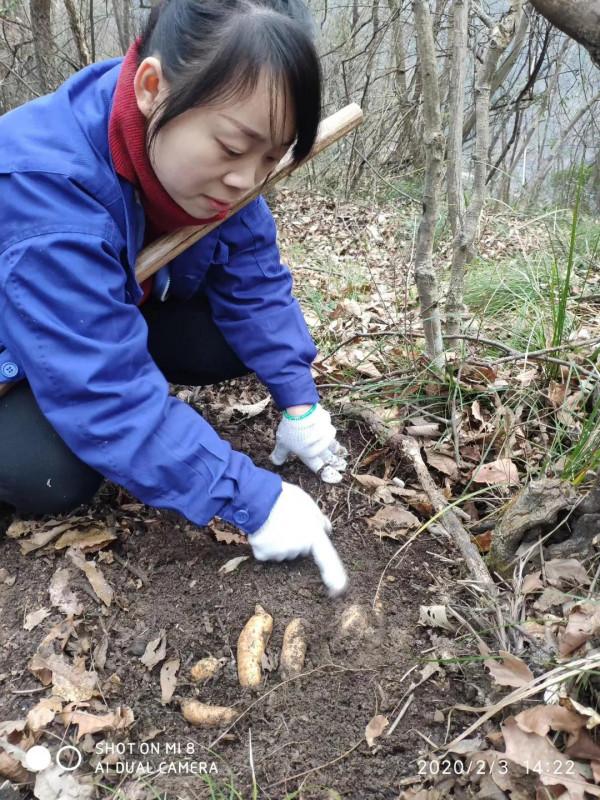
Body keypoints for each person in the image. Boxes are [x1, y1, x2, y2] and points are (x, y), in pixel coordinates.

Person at [0, 0, 349, 595]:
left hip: (97, 314)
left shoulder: (196, 124)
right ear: (151, 87)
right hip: (17, 348)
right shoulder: (48, 199)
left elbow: (253, 273)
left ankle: (146, 406)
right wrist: (251, 498)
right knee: (50, 474)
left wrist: (299, 401)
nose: (247, 180)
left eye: (271, 157)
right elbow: (101, 394)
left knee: (229, 337)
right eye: (235, 149)